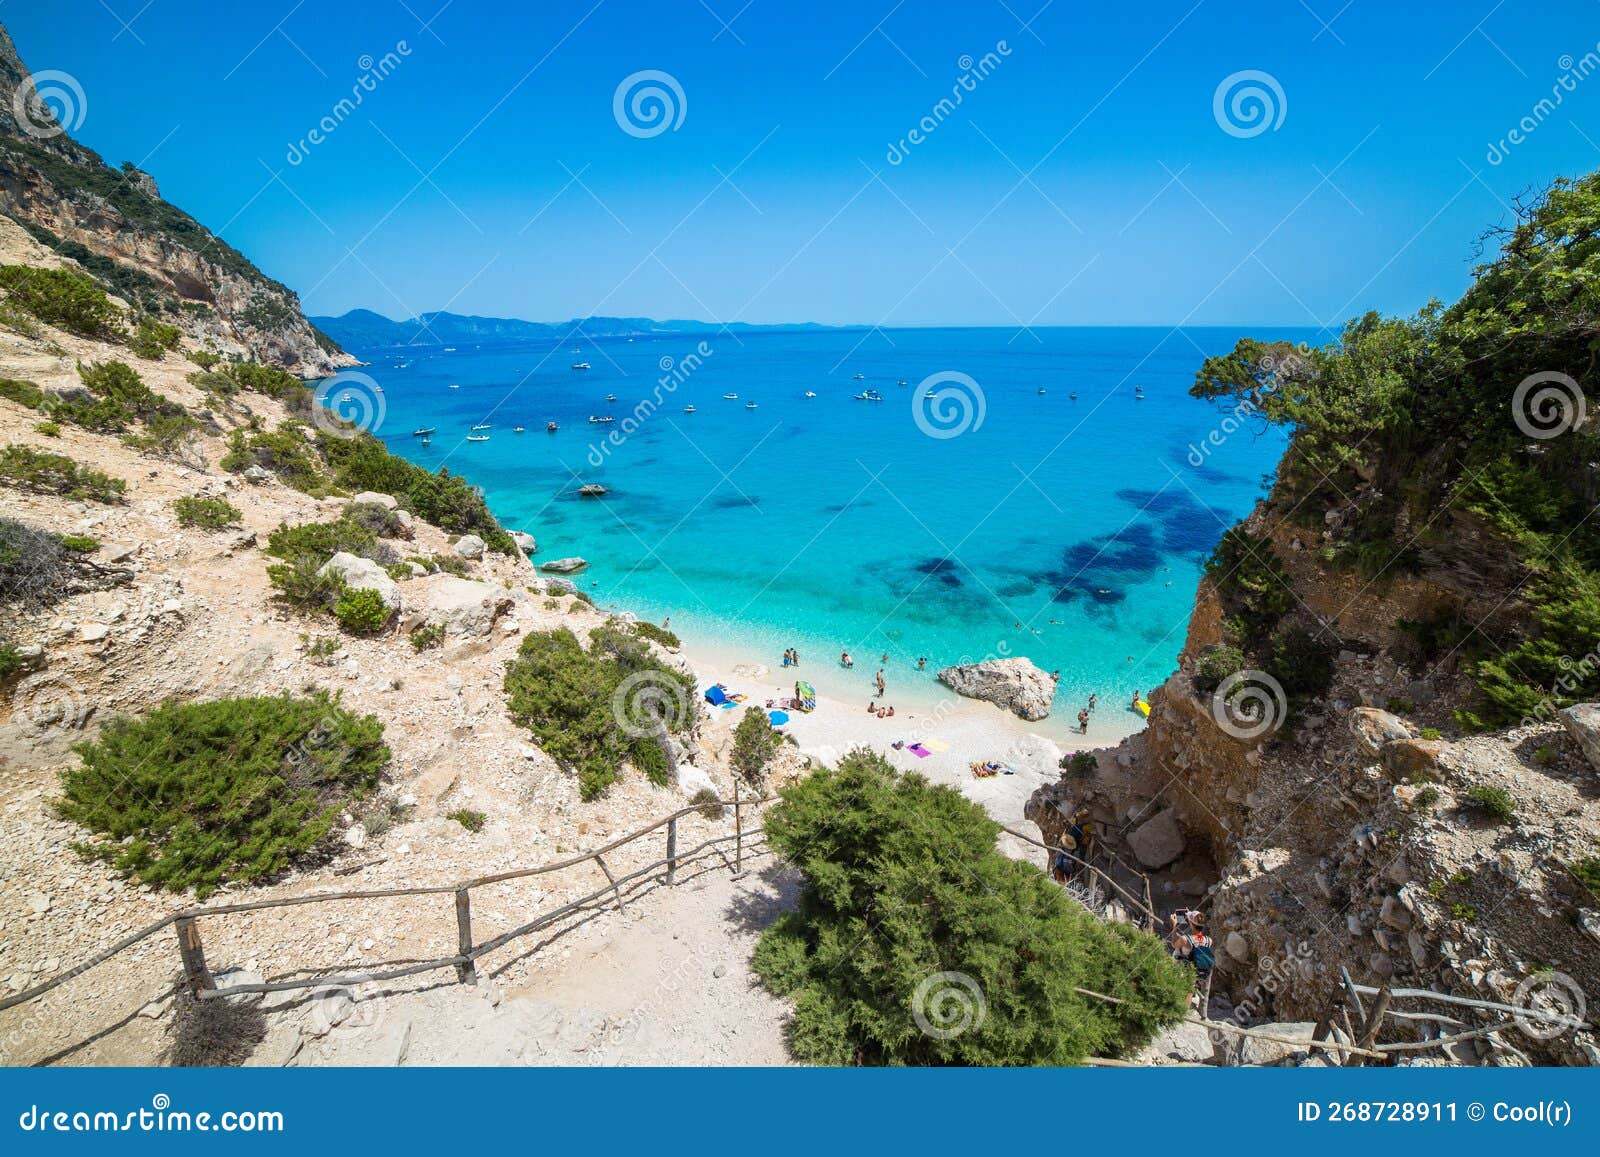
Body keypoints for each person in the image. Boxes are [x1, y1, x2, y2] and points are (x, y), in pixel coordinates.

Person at [1170, 910, 1214, 1002]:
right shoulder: (1209, 940)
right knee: (1190, 988)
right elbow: (1198, 940)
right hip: (1198, 971)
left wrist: (1174, 925)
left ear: (1191, 924)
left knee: (1183, 990)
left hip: (1183, 969)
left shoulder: (1185, 939)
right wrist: (1193, 916)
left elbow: (1174, 944)